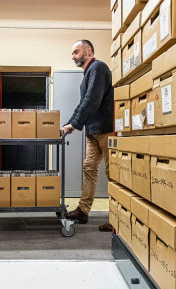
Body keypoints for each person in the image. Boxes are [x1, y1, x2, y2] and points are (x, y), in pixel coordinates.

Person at [61, 39, 114, 231]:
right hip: (93, 131)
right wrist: (69, 124)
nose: (73, 56)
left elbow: (92, 100)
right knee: (89, 168)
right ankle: (83, 212)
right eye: (72, 53)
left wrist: (74, 125)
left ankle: (118, 218)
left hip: (106, 130)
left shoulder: (98, 68)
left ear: (88, 50)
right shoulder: (88, 74)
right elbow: (83, 104)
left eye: (76, 52)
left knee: (113, 173)